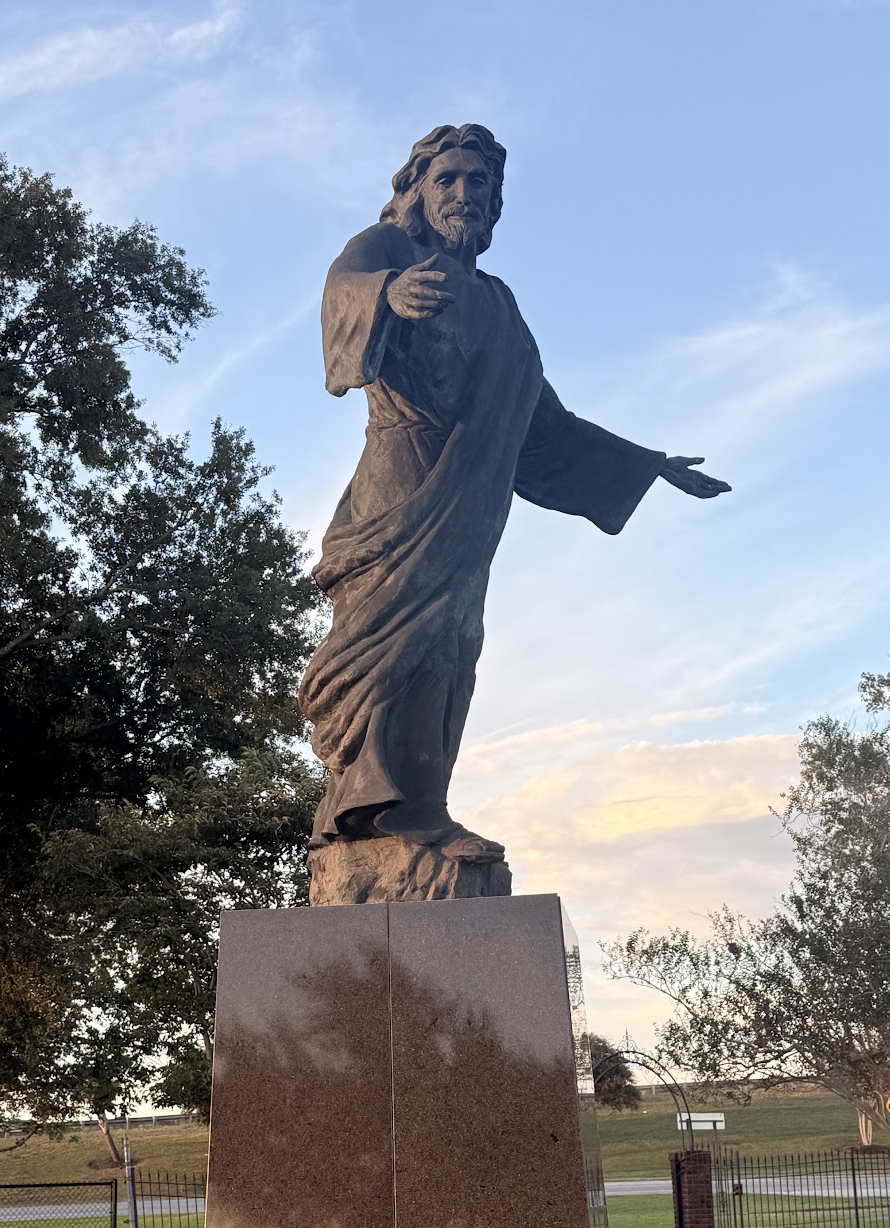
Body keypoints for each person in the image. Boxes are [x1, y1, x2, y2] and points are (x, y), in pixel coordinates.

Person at [299, 124, 730, 858]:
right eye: (448, 180)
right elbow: (343, 289)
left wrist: (643, 464)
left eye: (479, 183)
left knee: (453, 643)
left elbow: (540, 420)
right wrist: (387, 297)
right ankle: (376, 813)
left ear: (495, 202)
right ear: (419, 192)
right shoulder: (386, 251)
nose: (464, 193)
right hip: (400, 486)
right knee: (392, 646)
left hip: (471, 504)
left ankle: (420, 810)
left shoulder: (498, 305)